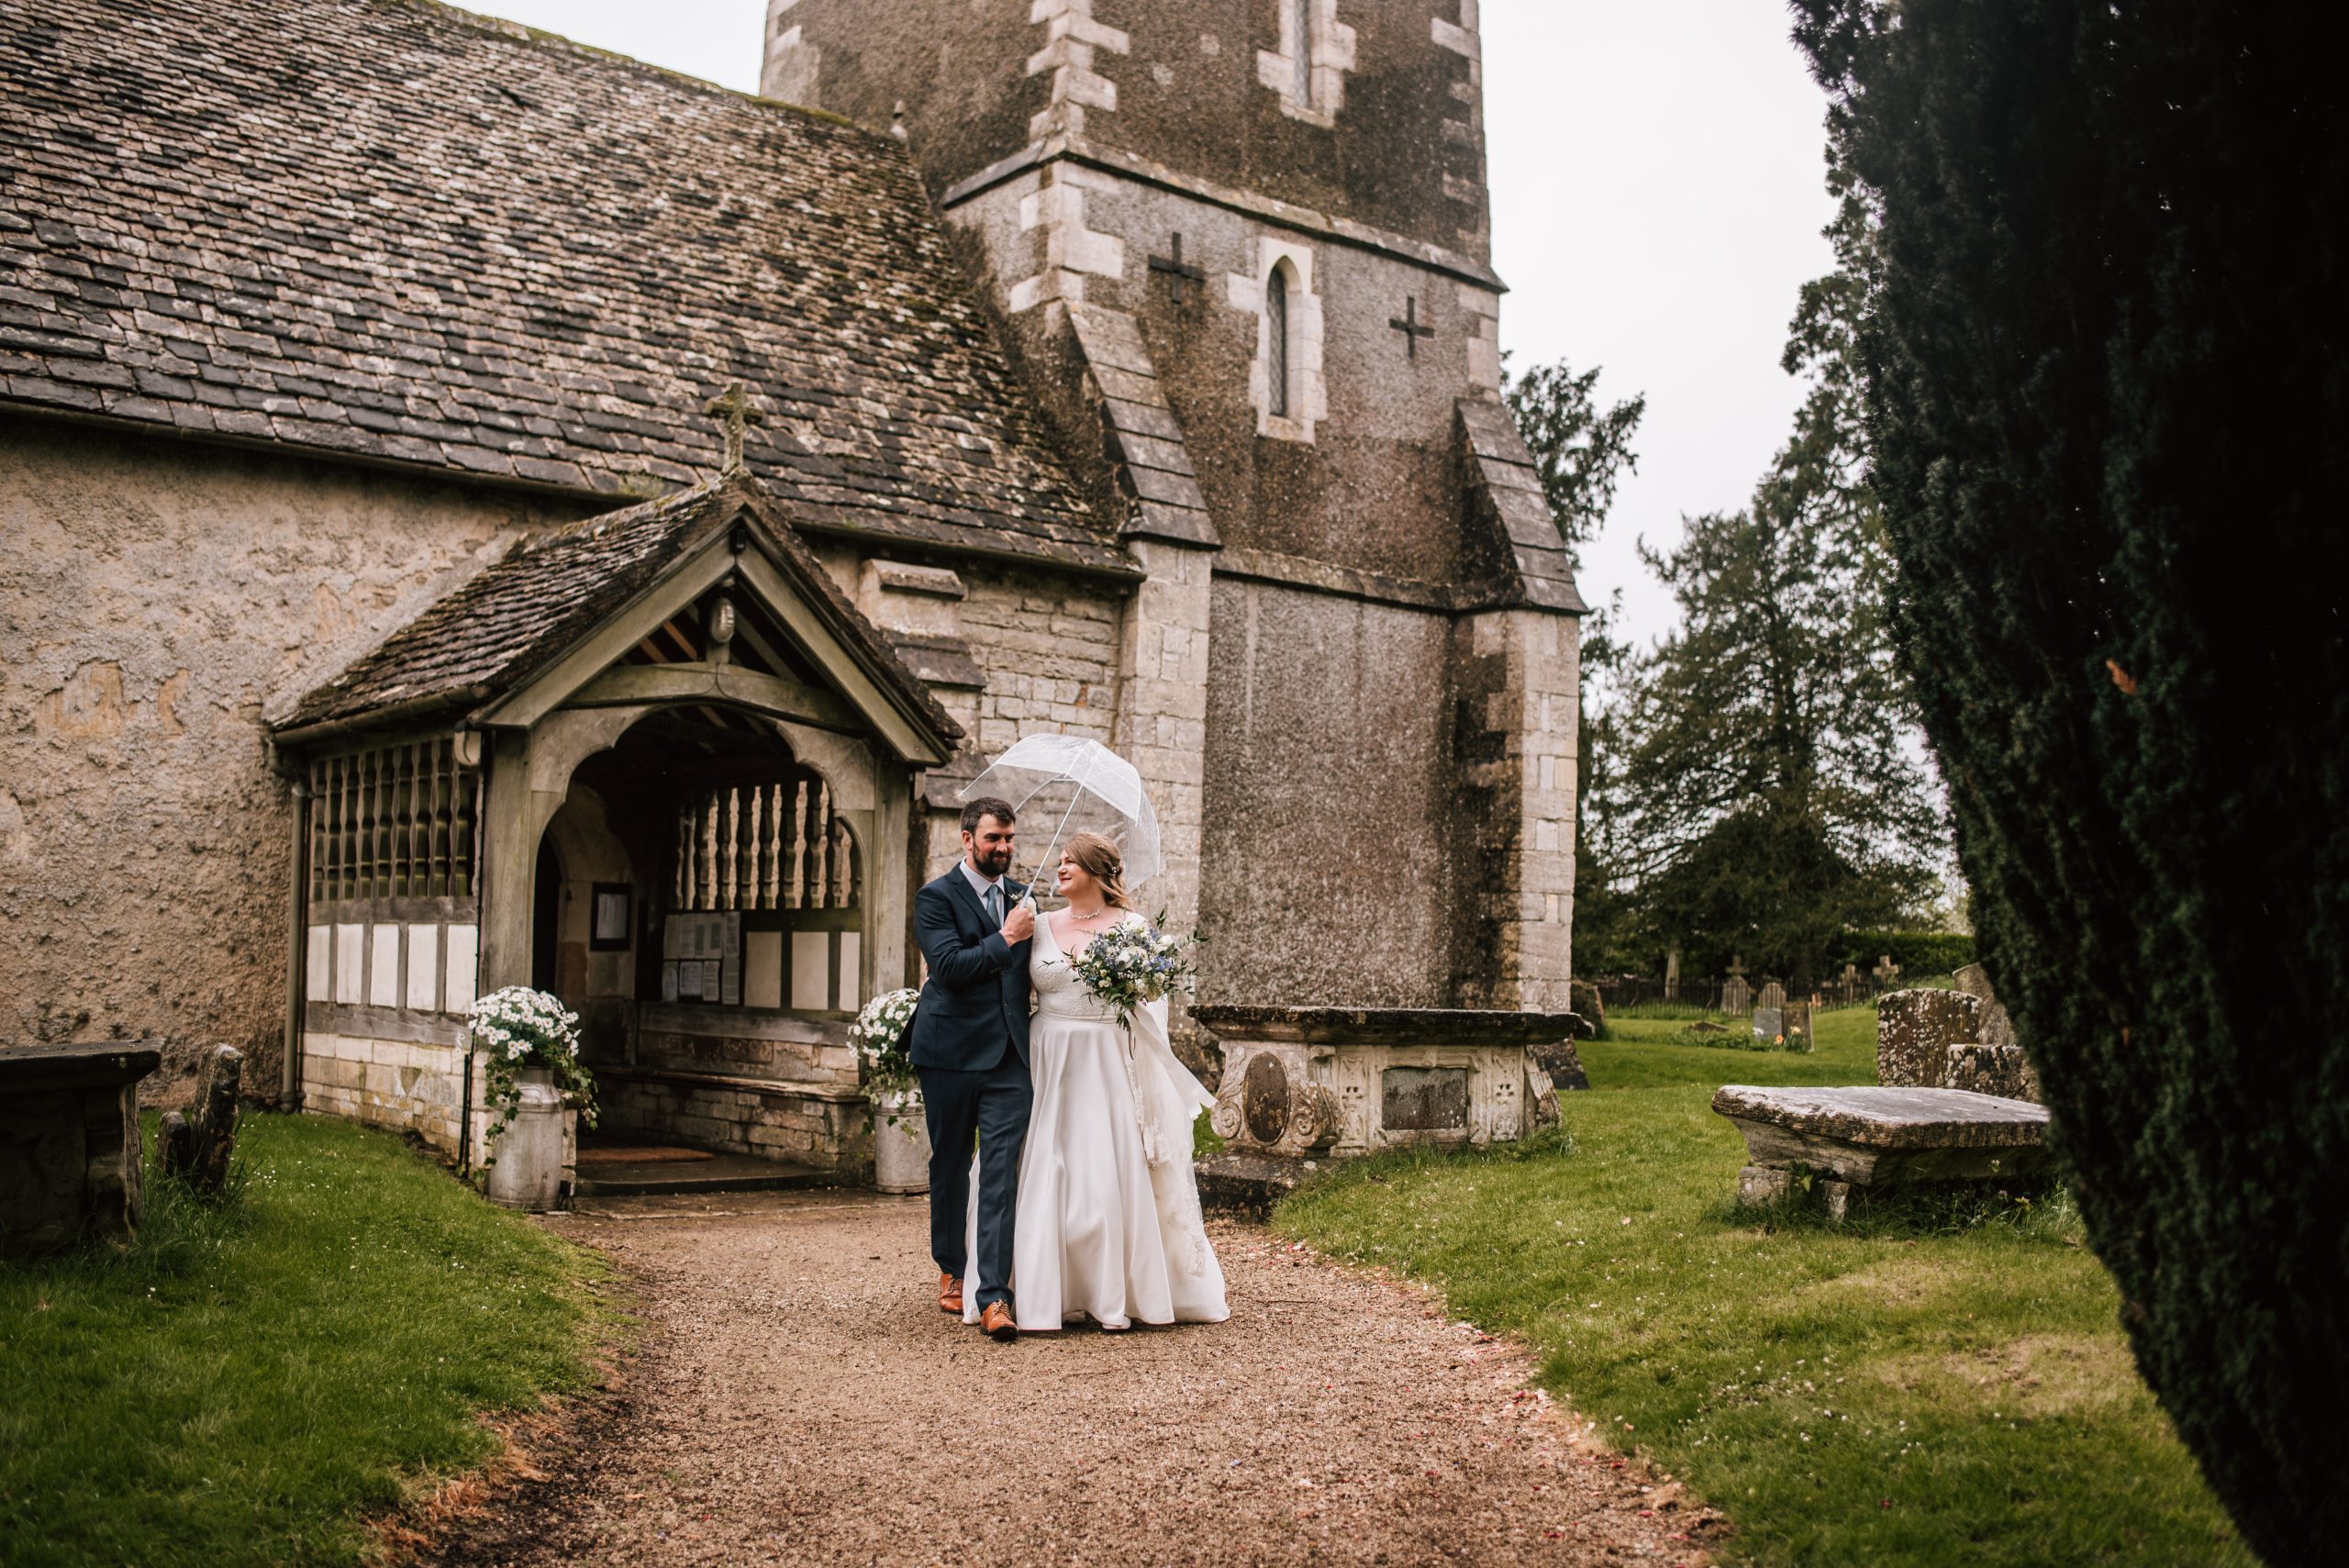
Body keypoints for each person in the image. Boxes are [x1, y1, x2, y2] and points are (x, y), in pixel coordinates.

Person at [963, 829, 1229, 1333]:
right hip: (1046, 1055)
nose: (1060, 869)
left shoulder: (1132, 927)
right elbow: (1006, 988)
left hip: (1106, 1058)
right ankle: (1037, 1287)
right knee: (1041, 1165)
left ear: (1098, 873)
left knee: (1103, 1168)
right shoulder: (1035, 923)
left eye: (1072, 862)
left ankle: (1113, 1289)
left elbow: (1153, 1003)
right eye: (1060, 861)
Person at [907, 797, 1034, 1342]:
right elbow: (951, 967)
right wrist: (1007, 938)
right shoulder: (935, 897)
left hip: (1008, 1056)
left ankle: (995, 1297)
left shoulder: (1021, 898)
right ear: (967, 839)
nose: (1003, 848)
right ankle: (952, 1267)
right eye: (993, 839)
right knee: (952, 1164)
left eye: (1009, 839)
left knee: (1002, 1171)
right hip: (949, 1054)